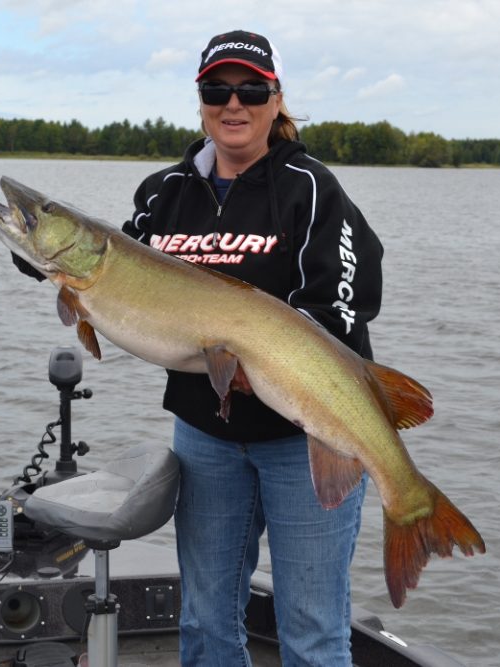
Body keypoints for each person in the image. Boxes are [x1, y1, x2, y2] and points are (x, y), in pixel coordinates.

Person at [121, 30, 384, 666]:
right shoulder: (164, 192)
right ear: (201, 100)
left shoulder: (311, 189)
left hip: (308, 439)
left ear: (275, 100)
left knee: (312, 631)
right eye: (217, 89)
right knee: (206, 620)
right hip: (206, 437)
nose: (232, 104)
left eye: (250, 90)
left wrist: (268, 356)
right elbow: (116, 269)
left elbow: (353, 296)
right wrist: (46, 261)